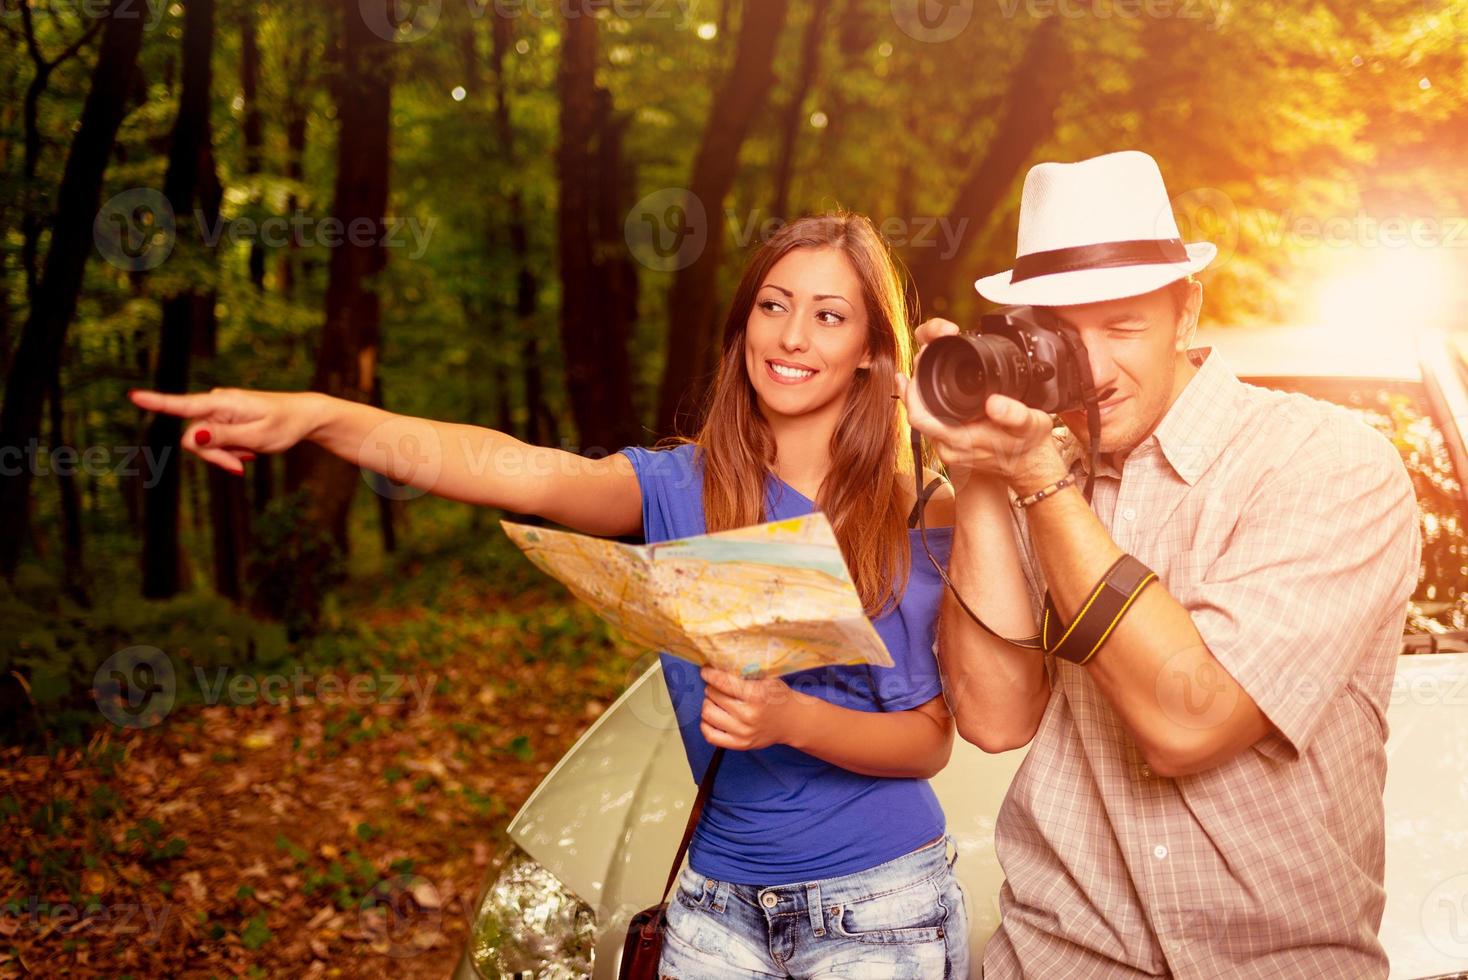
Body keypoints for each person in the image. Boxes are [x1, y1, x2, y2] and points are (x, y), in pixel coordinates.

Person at [131, 212, 971, 978]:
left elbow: (930, 743)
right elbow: (509, 465)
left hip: (880, 908)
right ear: (743, 321)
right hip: (716, 907)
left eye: (829, 315)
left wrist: (792, 721)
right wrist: (319, 418)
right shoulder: (679, 487)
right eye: (773, 305)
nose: (791, 336)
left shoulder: (911, 507)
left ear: (870, 348)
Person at [900, 150, 1420, 979]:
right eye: (1063, 337)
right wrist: (978, 471)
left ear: (1186, 313)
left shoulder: (1326, 463)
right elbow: (996, 719)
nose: (1094, 369)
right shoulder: (1044, 470)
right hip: (1057, 961)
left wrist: (1037, 482)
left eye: (1123, 327)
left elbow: (1191, 721)